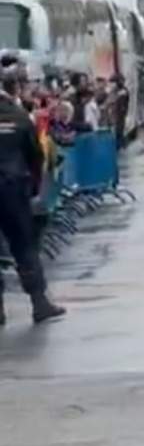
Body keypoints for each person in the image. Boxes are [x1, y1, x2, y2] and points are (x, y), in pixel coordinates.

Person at [0, 76, 63, 325]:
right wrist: (34, 188)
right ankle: (39, 302)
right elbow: (36, 156)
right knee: (24, 246)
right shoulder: (19, 117)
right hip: (14, 189)